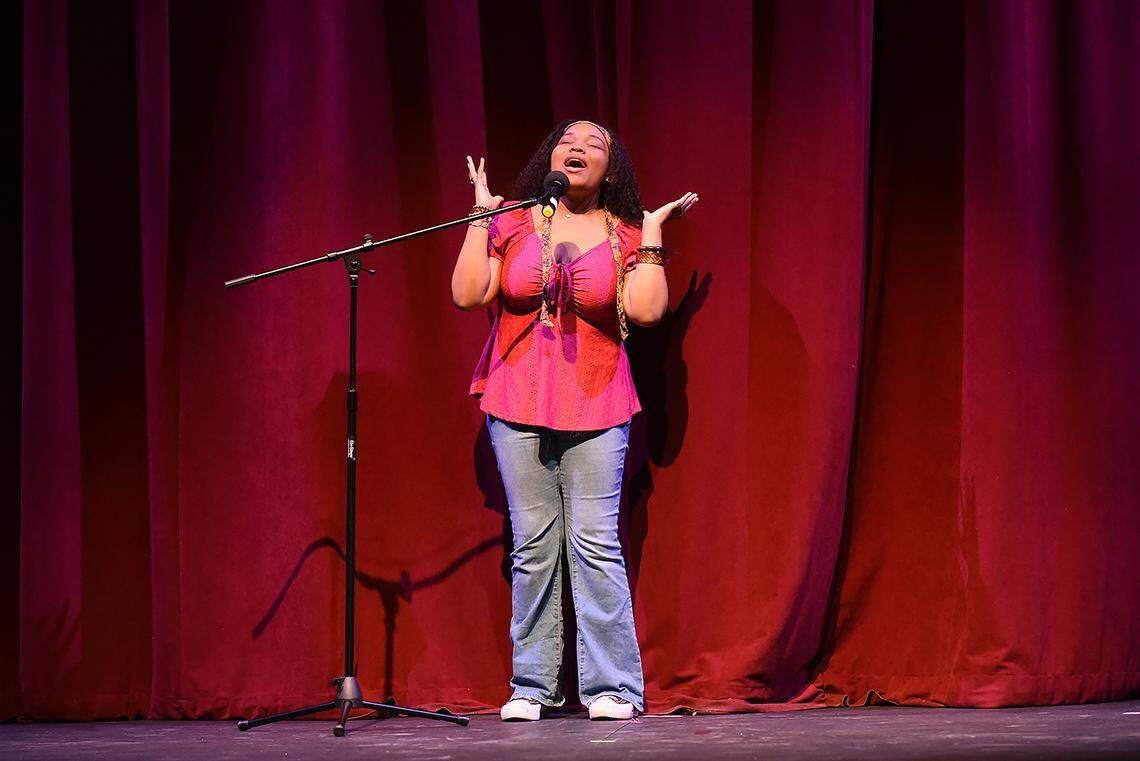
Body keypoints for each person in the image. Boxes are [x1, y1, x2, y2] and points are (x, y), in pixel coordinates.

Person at [451, 119, 698, 721]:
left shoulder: (623, 234)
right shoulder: (511, 219)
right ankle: (531, 686)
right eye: (568, 141)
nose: (579, 147)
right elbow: (466, 294)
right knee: (533, 549)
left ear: (611, 170)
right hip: (515, 402)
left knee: (594, 544)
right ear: (550, 158)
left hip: (597, 402)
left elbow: (646, 311)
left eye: (595, 144)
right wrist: (481, 217)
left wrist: (655, 232)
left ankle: (613, 686)